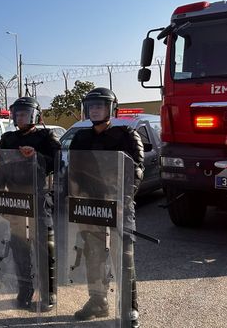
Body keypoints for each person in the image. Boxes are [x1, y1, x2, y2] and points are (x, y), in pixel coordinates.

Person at [69, 87, 143, 327]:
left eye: (100, 106)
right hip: (90, 206)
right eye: (91, 106)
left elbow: (137, 171)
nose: (95, 110)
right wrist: (74, 194)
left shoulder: (127, 135)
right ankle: (98, 301)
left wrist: (124, 200)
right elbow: (73, 170)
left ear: (112, 109)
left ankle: (129, 307)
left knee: (124, 257)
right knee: (93, 255)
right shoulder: (80, 137)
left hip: (119, 204)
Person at [0, 96, 61, 309]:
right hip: (15, 198)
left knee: (43, 246)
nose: (20, 116)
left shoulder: (46, 136)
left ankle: (48, 292)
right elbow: (1, 166)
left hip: (39, 196)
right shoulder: (8, 138)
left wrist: (37, 156)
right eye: (17, 113)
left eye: (25, 113)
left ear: (34, 115)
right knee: (19, 246)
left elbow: (59, 162)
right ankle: (24, 289)